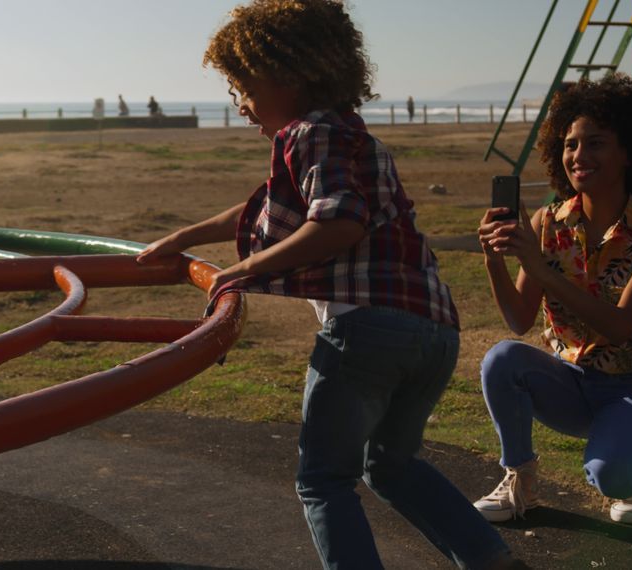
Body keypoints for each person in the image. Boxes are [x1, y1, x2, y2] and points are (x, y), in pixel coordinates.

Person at [138, 1, 519, 568]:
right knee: (391, 465)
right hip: (433, 332)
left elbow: (339, 221)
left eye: (243, 86)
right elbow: (258, 209)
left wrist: (243, 270)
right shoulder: (353, 138)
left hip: (367, 330)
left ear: (289, 76)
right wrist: (181, 237)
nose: (240, 105)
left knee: (322, 479)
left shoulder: (306, 134)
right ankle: (492, 560)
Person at [473, 73, 632, 525]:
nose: (578, 156)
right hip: (572, 382)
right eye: (570, 144)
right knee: (502, 359)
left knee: (611, 475)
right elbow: (518, 319)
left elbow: (620, 325)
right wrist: (494, 260)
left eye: (596, 144)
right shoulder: (549, 223)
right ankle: (520, 478)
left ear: (628, 152)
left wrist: (538, 267)